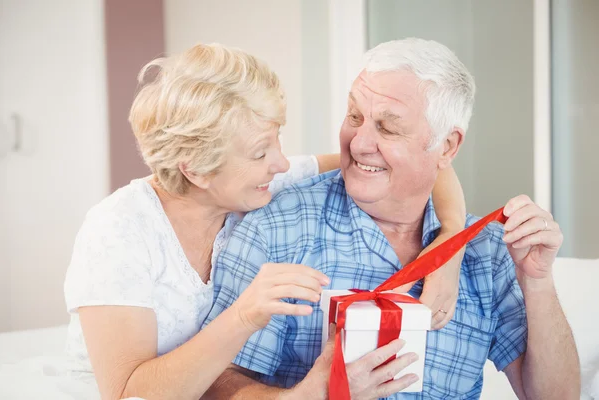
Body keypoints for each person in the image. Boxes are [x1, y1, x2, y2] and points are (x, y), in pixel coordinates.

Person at [63, 42, 466, 400]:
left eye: (278, 139)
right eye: (260, 152)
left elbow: (418, 164)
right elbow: (128, 395)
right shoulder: (119, 230)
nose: (283, 163)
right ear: (196, 171)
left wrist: (449, 248)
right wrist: (243, 316)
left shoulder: (257, 182)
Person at [203, 38, 580, 400]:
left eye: (387, 127)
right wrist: (312, 395)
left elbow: (556, 397)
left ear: (446, 146)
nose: (358, 143)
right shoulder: (275, 230)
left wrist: (538, 281)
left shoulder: (488, 253)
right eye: (354, 116)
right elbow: (211, 387)